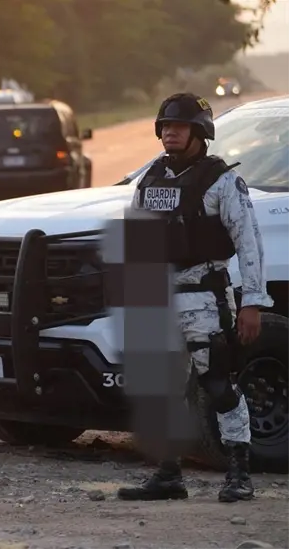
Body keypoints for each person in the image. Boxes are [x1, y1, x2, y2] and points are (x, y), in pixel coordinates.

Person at [116, 93, 273, 503]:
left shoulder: (222, 181)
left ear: (200, 132)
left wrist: (253, 301)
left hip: (205, 295)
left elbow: (250, 243)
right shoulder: (150, 180)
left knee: (218, 385)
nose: (169, 132)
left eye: (179, 126)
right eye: (165, 125)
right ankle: (169, 475)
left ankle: (239, 474)